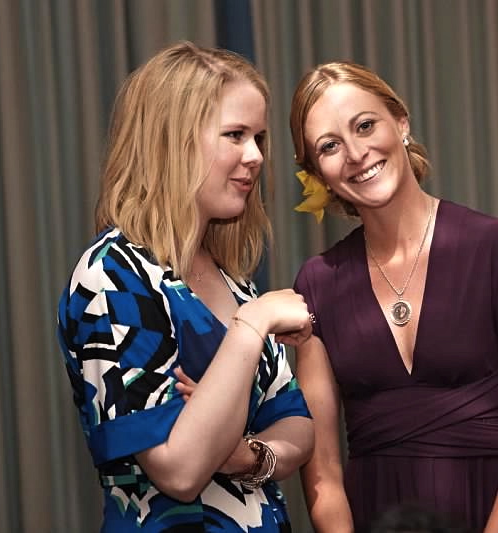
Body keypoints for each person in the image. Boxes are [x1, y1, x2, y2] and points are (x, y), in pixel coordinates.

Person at [289, 61, 498, 533]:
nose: (355, 153)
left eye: (365, 125)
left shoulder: (497, 248)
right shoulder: (317, 282)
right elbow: (324, 473)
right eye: (330, 146)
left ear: (401, 122)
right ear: (317, 172)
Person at [56, 41, 315, 532]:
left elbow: (298, 428)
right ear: (170, 141)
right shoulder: (113, 276)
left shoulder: (232, 279)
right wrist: (252, 325)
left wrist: (245, 454)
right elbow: (179, 469)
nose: (256, 156)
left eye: (258, 137)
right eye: (235, 135)